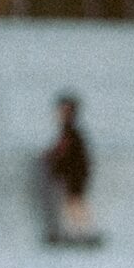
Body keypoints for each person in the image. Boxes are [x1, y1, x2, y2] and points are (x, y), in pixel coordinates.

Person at [41, 92, 97, 245]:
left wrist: (52, 157)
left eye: (63, 110)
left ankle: (83, 233)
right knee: (73, 203)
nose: (59, 113)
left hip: (75, 174)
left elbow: (64, 151)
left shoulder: (71, 132)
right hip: (72, 174)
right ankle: (79, 233)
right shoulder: (69, 132)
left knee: (75, 203)